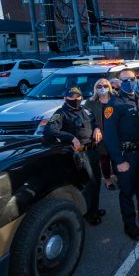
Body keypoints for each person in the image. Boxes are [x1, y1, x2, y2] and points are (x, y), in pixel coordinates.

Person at [103, 69, 139, 241]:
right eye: (125, 79)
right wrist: (118, 160)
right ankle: (130, 225)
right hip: (125, 155)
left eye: (132, 78)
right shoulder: (114, 104)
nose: (129, 81)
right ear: (118, 82)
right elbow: (110, 136)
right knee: (126, 191)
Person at [44, 87, 104, 225]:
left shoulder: (85, 110)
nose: (76, 100)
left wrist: (97, 128)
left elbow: (94, 121)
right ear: (66, 99)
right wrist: (70, 137)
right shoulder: (61, 114)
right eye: (72, 98)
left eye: (78, 97)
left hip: (92, 151)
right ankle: (89, 215)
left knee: (97, 182)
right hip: (80, 154)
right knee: (89, 184)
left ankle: (95, 208)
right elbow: (49, 131)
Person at [85, 79, 117, 191]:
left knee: (116, 157)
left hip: (115, 134)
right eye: (99, 86)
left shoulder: (116, 98)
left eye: (105, 85)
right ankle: (108, 180)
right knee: (104, 158)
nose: (102, 88)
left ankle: (118, 176)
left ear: (109, 86)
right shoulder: (90, 102)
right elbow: (87, 119)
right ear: (95, 88)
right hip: (101, 135)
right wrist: (96, 128)